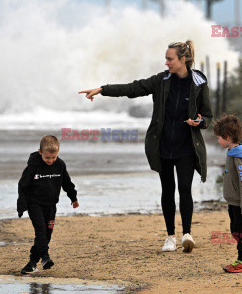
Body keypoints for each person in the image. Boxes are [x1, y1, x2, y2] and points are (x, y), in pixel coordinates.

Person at [79, 40, 212, 252]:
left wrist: (200, 122)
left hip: (187, 146)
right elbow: (133, 88)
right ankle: (170, 237)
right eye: (166, 58)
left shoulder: (199, 82)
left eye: (170, 58)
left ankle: (187, 234)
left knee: (185, 189)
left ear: (182, 59)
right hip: (163, 146)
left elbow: (208, 116)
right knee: (167, 191)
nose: (166, 62)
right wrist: (103, 89)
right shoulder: (161, 80)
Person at [17, 135, 79, 274]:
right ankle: (45, 256)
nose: (50, 160)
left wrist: (73, 197)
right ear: (40, 152)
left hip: (51, 205)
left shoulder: (60, 165)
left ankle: (32, 263)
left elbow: (67, 183)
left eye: (53, 157)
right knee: (41, 233)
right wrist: (21, 204)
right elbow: (23, 185)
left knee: (47, 235)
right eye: (47, 158)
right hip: (35, 204)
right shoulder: (33, 166)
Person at [213, 115, 242, 273]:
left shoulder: (238, 156)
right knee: (235, 230)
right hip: (233, 201)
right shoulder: (232, 152)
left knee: (240, 231)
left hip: (241, 202)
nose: (218, 141)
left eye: (218, 138)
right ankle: (241, 259)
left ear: (227, 137)